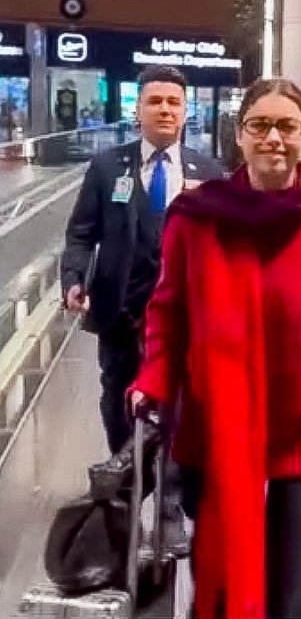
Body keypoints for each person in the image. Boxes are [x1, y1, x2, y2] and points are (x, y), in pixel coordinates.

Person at [128, 77, 301, 619]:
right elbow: (169, 313)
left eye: (287, 126)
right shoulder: (196, 218)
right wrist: (153, 381)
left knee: (299, 598)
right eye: (261, 125)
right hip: (220, 424)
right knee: (224, 584)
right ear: (240, 135)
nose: (274, 138)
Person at [60, 65, 226, 555]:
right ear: (139, 109)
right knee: (119, 406)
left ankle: (170, 509)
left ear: (186, 111)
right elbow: (80, 233)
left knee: (176, 413)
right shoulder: (107, 167)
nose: (165, 110)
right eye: (155, 101)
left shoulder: (208, 173)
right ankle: (125, 500)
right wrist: (73, 280)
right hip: (121, 314)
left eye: (174, 102)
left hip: (184, 323)